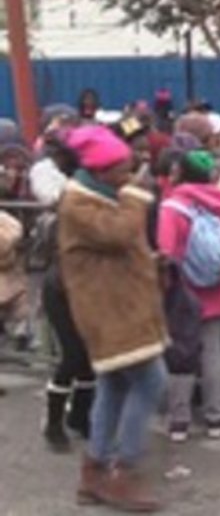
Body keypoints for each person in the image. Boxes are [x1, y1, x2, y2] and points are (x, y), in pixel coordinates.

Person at [60, 125, 167, 513]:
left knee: (113, 386)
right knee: (152, 381)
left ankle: (95, 469)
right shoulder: (80, 204)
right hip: (111, 314)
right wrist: (138, 195)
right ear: (102, 171)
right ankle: (125, 469)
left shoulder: (102, 197)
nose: (129, 174)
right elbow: (121, 233)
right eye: (122, 168)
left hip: (122, 308)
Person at [157, 150, 220, 442]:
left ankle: (179, 419)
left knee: (182, 354)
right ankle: (216, 417)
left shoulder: (173, 207)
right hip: (219, 290)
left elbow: (166, 250)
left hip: (183, 291)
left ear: (180, 173)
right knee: (213, 353)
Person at [35, 131, 97, 452]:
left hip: (87, 287)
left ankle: (81, 417)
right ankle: (54, 421)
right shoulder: (70, 204)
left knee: (88, 356)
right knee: (73, 354)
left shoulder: (92, 199)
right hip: (63, 287)